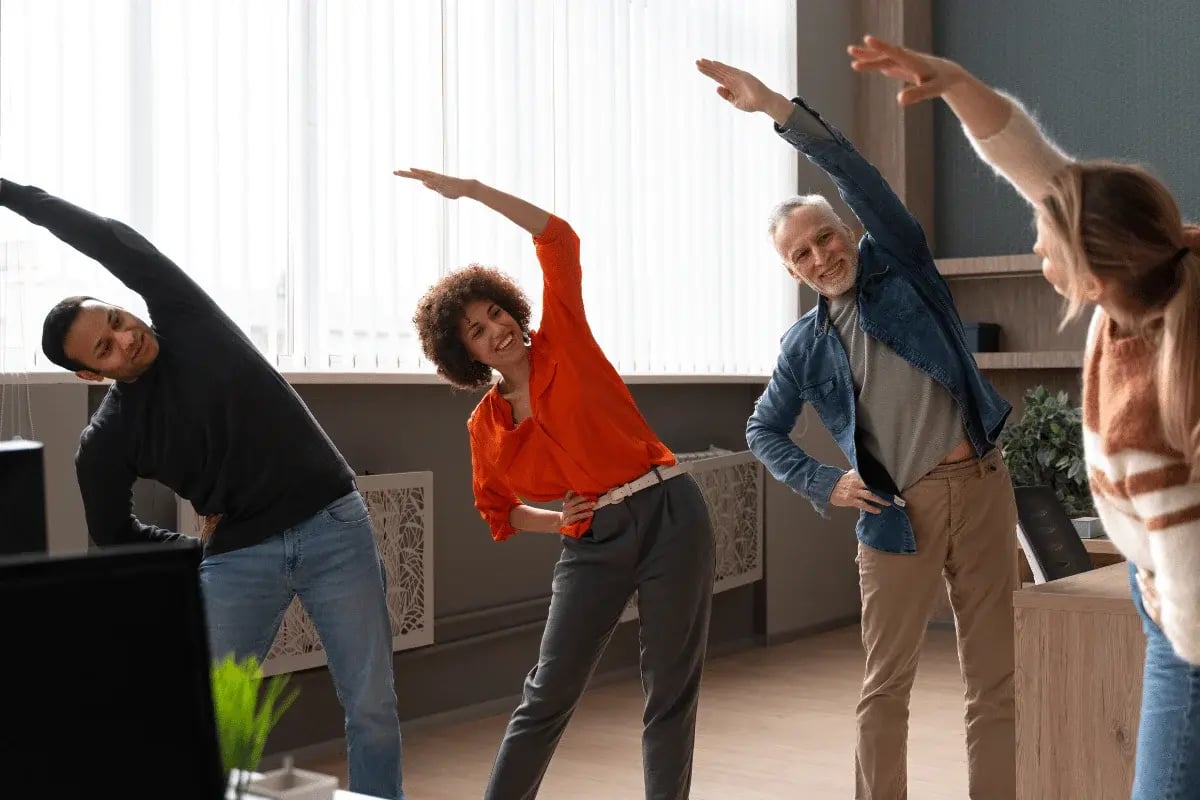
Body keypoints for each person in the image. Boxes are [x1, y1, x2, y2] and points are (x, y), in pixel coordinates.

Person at [848, 34, 1200, 799]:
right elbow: (1029, 159)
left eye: (1046, 236)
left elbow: (1196, 603)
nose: (1033, 235)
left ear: (1093, 272)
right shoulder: (1154, 272)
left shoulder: (1150, 416)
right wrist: (959, 84)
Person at [3, 178, 405, 800]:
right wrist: (196, 553)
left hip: (334, 524)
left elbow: (103, 238)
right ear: (90, 372)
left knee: (372, 709)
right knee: (212, 726)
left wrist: (6, 191)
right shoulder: (108, 440)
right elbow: (112, 536)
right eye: (106, 348)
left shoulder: (184, 315)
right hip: (241, 559)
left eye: (116, 319)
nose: (127, 337)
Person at [696, 58, 1019, 799]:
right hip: (895, 517)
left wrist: (777, 107)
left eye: (826, 237)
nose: (821, 256)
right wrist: (826, 482)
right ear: (791, 271)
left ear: (847, 231)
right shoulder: (803, 348)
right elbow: (762, 430)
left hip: (981, 487)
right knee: (885, 690)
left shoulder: (901, 265)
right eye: (801, 254)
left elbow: (854, 170)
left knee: (993, 681)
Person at [401, 166, 716, 800]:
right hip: (593, 542)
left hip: (669, 512)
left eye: (497, 313)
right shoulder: (484, 425)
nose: (498, 330)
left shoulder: (563, 339)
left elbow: (560, 238)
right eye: (479, 331)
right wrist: (560, 520)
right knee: (546, 695)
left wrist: (473, 191)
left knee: (668, 689)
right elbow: (498, 509)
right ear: (467, 356)